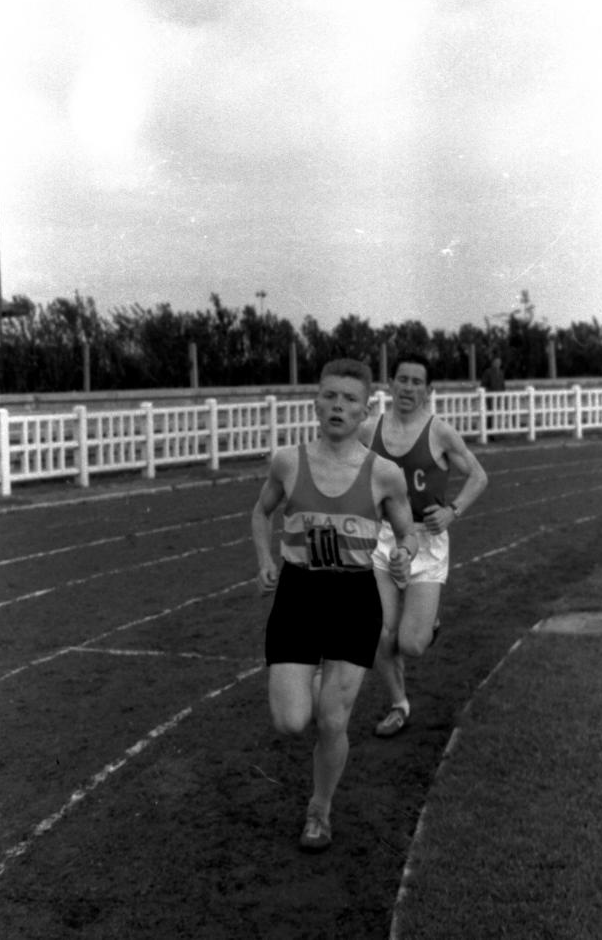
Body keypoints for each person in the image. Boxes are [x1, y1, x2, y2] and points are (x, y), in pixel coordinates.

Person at [251, 358, 418, 852]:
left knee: (332, 721)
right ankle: (321, 681)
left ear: (365, 411)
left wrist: (405, 556)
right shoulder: (287, 461)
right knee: (290, 721)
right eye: (329, 396)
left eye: (349, 399)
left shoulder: (384, 474)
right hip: (299, 595)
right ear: (315, 402)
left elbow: (407, 535)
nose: (338, 406)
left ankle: (319, 811)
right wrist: (264, 558)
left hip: (352, 599)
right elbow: (261, 513)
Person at [360, 353, 488, 738]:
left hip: (427, 541)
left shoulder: (440, 433)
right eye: (403, 379)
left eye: (417, 382)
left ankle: (427, 624)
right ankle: (399, 704)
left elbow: (479, 476)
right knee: (380, 633)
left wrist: (453, 511)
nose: (409, 387)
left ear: (428, 391)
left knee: (410, 644)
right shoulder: (370, 430)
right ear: (390, 385)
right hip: (384, 539)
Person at [481, 355, 506, 437]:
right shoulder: (488, 372)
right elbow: (483, 385)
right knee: (490, 415)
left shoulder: (501, 373)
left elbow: (503, 385)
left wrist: (503, 394)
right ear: (492, 363)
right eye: (496, 362)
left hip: (499, 397)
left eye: (499, 362)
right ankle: (490, 433)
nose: (498, 364)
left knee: (498, 414)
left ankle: (498, 432)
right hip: (490, 397)